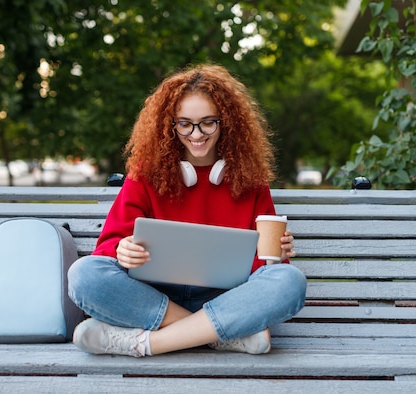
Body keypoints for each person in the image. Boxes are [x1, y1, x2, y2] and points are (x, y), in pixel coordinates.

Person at [67, 64, 307, 358]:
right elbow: (106, 250)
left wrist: (275, 255)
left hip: (227, 299)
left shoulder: (251, 180)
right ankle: (220, 336)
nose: (196, 134)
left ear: (226, 122)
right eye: (184, 123)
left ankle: (146, 343)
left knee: (289, 281)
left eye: (208, 122)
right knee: (84, 274)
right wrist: (122, 250)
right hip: (155, 298)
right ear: (170, 125)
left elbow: (261, 268)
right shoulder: (145, 176)